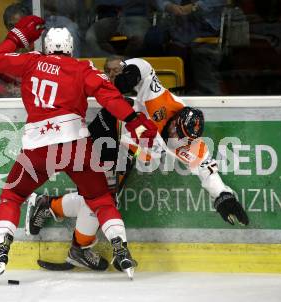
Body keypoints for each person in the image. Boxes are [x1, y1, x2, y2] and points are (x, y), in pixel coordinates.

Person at [0, 15, 159, 283]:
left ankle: (0, 250)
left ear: (47, 47)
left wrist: (17, 36)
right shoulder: (83, 68)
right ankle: (120, 247)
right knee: (100, 200)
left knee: (12, 197)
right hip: (76, 145)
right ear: (71, 48)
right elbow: (109, 97)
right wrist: (135, 121)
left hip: (37, 148)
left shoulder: (31, 61)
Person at [27, 57, 250, 271]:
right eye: (176, 129)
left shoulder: (187, 143)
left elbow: (206, 168)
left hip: (128, 145)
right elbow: (146, 69)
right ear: (178, 117)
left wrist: (222, 195)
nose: (175, 136)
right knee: (102, 197)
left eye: (181, 137)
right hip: (111, 126)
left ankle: (51, 209)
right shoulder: (163, 102)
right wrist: (129, 70)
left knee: (105, 199)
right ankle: (75, 243)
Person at [84, 0, 153, 57]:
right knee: (91, 36)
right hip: (109, 17)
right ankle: (110, 62)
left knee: (139, 39)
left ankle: (128, 64)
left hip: (135, 16)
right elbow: (100, 3)